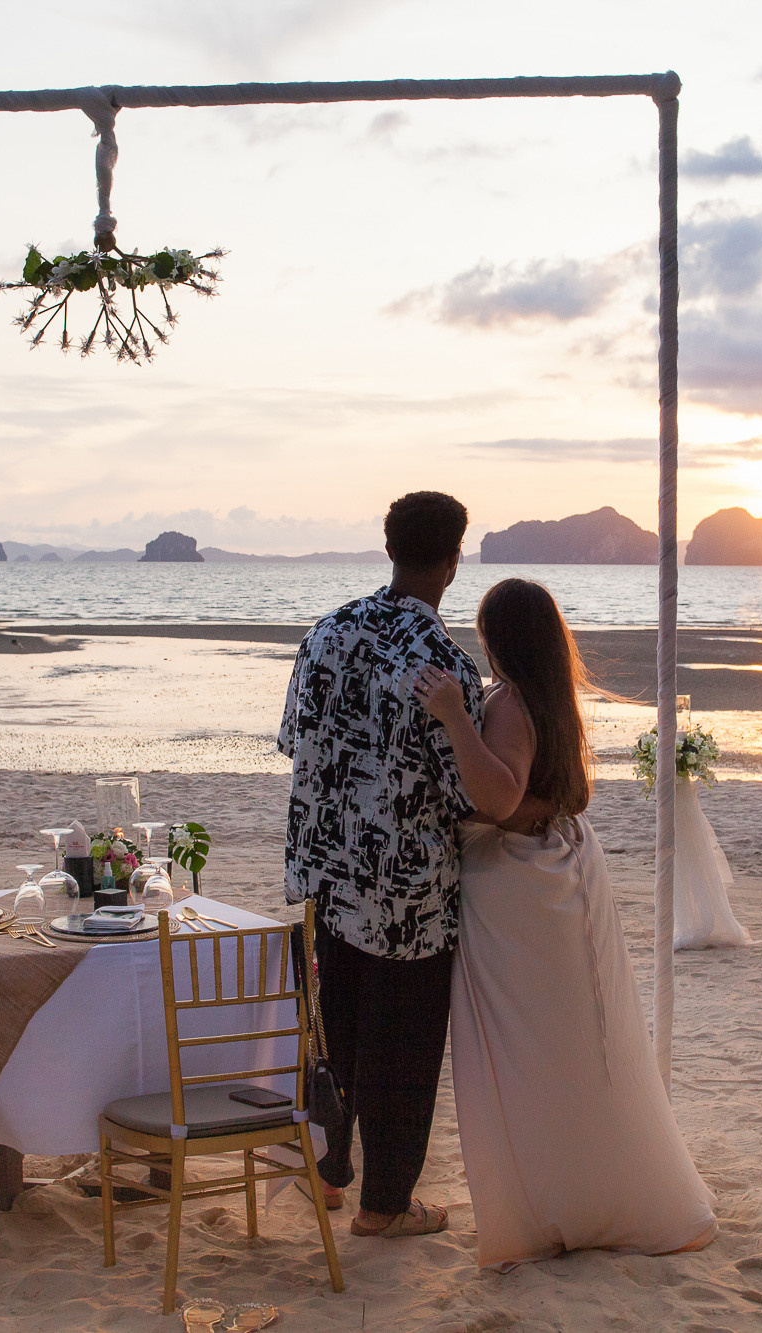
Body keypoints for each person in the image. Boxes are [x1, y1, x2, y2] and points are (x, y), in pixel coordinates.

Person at [413, 577, 716, 1269]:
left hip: (522, 887)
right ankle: (569, 1183)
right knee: (565, 1042)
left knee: (536, 1050)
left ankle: (557, 1195)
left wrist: (454, 717)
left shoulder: (511, 702)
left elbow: (498, 796)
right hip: (549, 872)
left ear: (500, 637)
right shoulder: (538, 694)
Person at [277, 490, 483, 1239]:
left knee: (332, 1029)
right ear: (454, 562)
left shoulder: (325, 634)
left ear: (390, 548)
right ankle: (386, 1204)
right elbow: (469, 796)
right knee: (401, 1048)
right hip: (406, 895)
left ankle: (327, 1174)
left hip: (324, 878)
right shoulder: (446, 666)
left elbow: (294, 742)